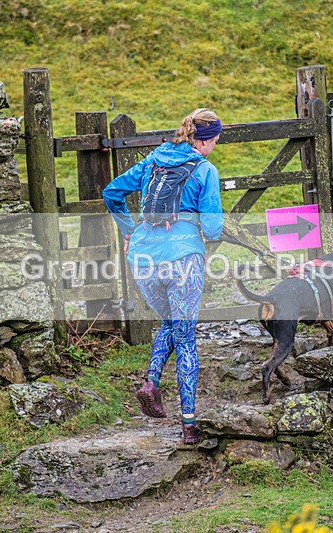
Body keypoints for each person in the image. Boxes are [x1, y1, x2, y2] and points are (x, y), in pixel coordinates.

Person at [102, 108, 223, 444]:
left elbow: (111, 192)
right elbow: (213, 229)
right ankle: (188, 425)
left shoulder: (154, 159)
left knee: (169, 322)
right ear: (208, 140)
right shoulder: (205, 169)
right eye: (214, 141)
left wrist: (128, 230)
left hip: (142, 256)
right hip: (182, 258)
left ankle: (151, 382)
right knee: (185, 338)